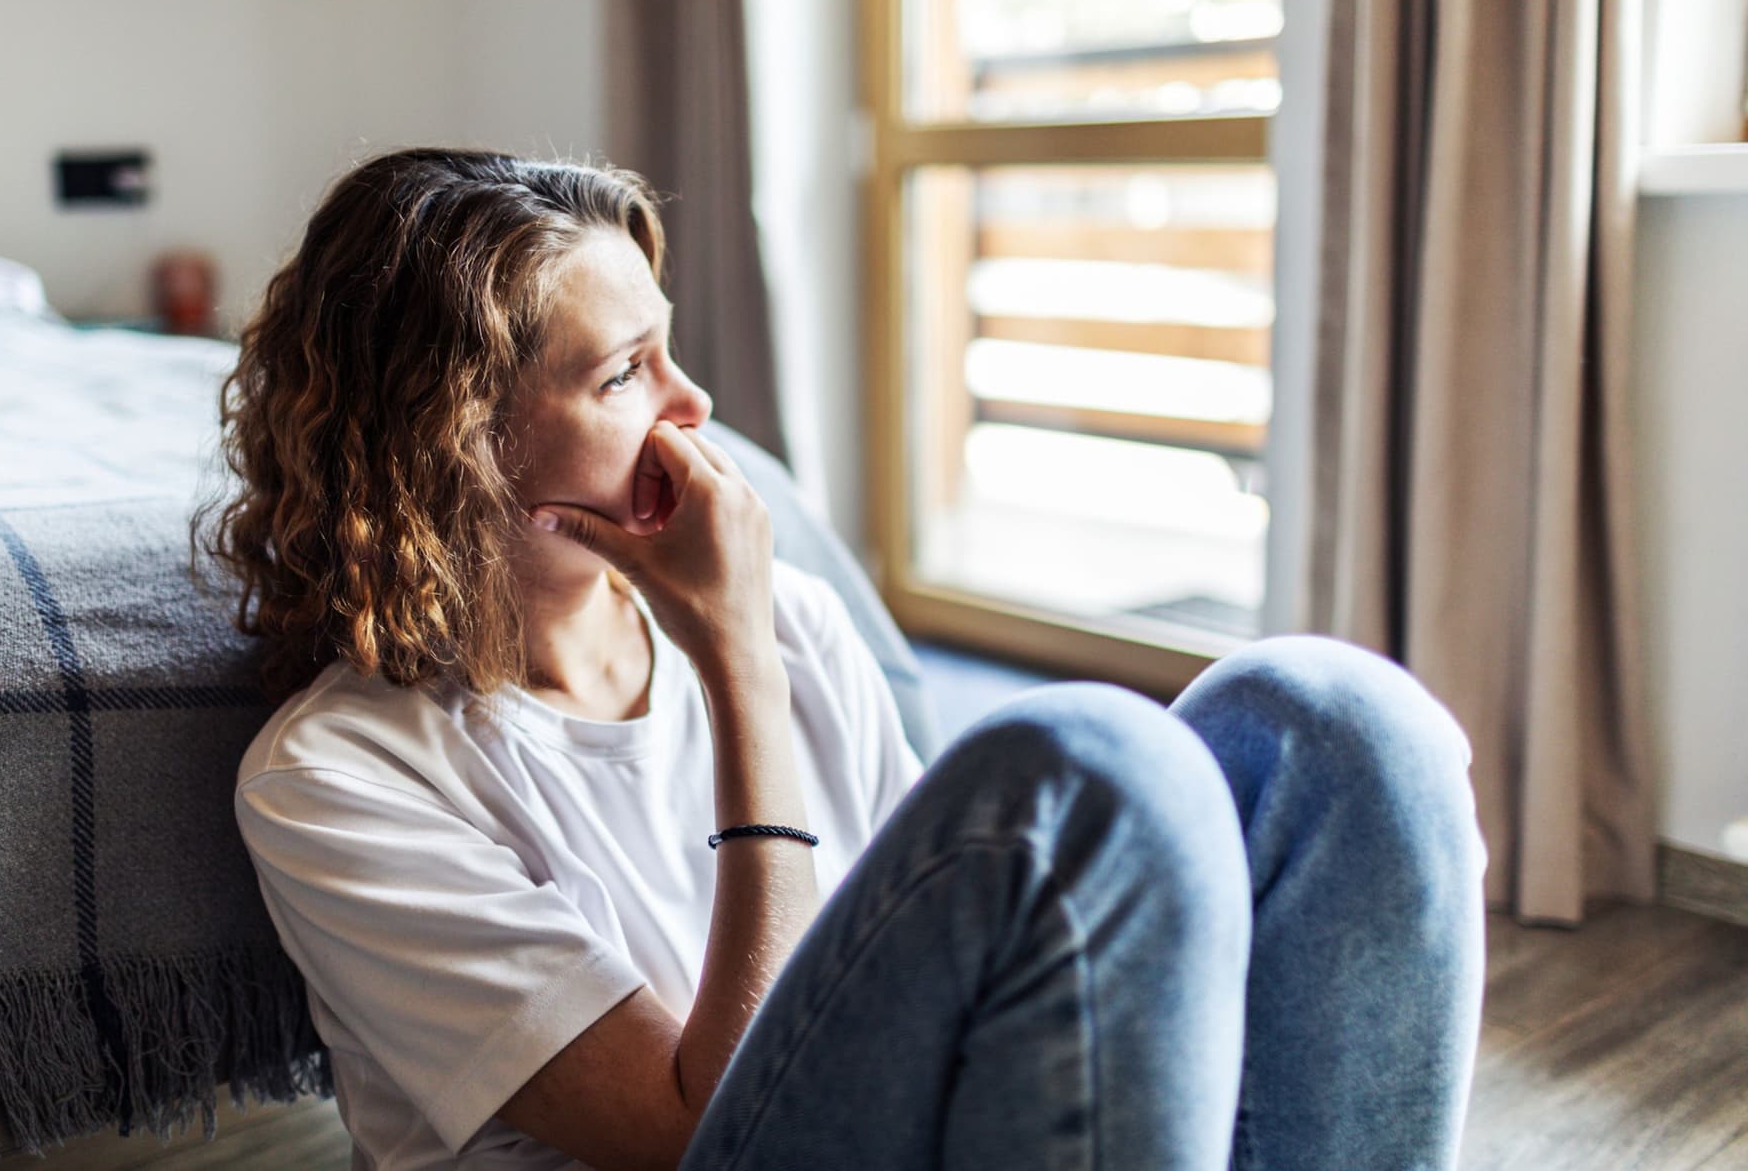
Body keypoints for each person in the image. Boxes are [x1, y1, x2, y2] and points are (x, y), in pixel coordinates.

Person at [194, 147, 1490, 1171]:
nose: (695, 408)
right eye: (626, 374)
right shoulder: (337, 776)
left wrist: (755, 637)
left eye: (673, 347)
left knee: (1334, 718)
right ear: (457, 441)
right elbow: (692, 1131)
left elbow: (930, 961)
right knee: (1092, 766)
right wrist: (737, 665)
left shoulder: (798, 614)